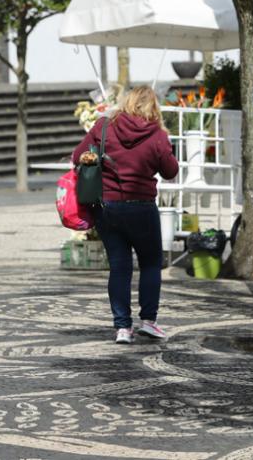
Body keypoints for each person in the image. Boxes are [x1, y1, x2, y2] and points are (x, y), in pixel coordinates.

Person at [71, 85, 179, 344]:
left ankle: (122, 328)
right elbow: (170, 171)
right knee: (151, 263)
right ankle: (149, 321)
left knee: (119, 267)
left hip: (107, 207)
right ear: (153, 106)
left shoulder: (104, 127)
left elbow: (77, 156)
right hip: (141, 206)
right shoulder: (157, 135)